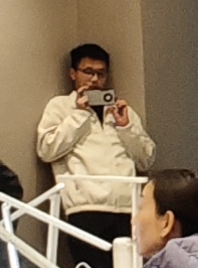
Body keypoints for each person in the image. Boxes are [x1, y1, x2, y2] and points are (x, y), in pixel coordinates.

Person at [36, 43, 158, 220]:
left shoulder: (122, 111)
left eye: (101, 73)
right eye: (88, 72)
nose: (94, 79)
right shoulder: (61, 106)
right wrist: (80, 115)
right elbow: (46, 150)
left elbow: (146, 161)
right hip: (84, 208)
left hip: (129, 208)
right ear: (73, 73)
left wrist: (125, 127)